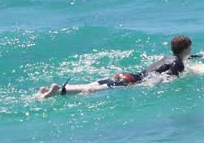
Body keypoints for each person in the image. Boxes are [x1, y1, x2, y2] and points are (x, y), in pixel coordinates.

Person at [37, 35, 195, 99]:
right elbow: (166, 77)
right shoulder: (178, 63)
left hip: (130, 75)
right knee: (90, 90)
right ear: (186, 49)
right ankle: (59, 90)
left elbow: (167, 65)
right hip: (133, 81)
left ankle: (54, 90)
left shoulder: (167, 57)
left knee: (94, 84)